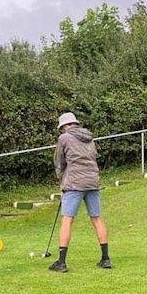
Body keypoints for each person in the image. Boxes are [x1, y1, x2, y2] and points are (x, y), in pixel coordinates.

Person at [48, 112, 111, 272]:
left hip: (74, 183)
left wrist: (62, 183)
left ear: (64, 126)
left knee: (67, 219)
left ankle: (61, 262)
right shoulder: (89, 138)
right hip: (92, 181)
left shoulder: (64, 138)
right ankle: (105, 259)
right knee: (96, 218)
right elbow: (93, 157)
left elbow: (59, 162)